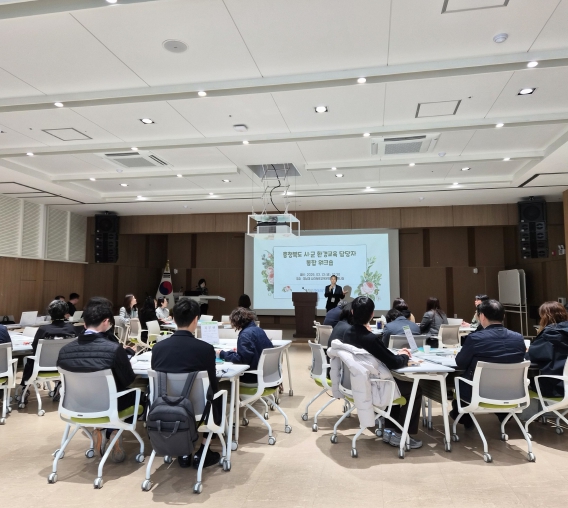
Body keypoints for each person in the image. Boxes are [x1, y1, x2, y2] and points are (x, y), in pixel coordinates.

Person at [57, 297, 137, 463]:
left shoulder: (64, 350)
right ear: (106, 321)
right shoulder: (113, 349)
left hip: (75, 405)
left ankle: (99, 429)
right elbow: (128, 380)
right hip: (108, 406)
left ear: (85, 324)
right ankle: (114, 432)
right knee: (138, 395)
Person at [340, 296, 423, 449]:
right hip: (374, 385)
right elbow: (392, 362)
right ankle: (402, 434)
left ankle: (390, 430)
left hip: (356, 383)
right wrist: (404, 356)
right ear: (372, 315)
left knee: (396, 384)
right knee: (414, 390)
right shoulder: (370, 338)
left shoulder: (347, 334)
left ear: (352, 312)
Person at [151, 298, 221, 469]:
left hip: (165, 408)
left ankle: (183, 452)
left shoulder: (158, 348)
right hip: (199, 409)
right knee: (217, 397)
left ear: (174, 319)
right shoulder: (205, 349)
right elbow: (212, 384)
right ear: (196, 319)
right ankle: (203, 450)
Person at [452, 299, 526, 428]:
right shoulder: (518, 338)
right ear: (503, 316)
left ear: (482, 316)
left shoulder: (475, 338)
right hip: (511, 392)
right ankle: (504, 413)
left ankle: (465, 418)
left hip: (479, 392)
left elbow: (460, 363)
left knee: (459, 382)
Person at [21, 300, 78, 389]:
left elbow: (35, 347)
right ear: (65, 313)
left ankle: (25, 387)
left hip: (42, 367)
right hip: (66, 366)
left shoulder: (44, 329)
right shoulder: (72, 329)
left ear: (50, 313)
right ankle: (59, 384)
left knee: (29, 359)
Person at [220, 307, 273, 383]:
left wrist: (223, 354)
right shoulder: (259, 330)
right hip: (267, 374)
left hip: (252, 377)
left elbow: (241, 360)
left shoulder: (245, 335)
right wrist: (240, 350)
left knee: (221, 381)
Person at [528, 302, 568, 398]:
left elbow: (531, 357)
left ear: (545, 317)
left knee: (525, 380)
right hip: (565, 385)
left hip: (554, 387)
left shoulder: (548, 335)